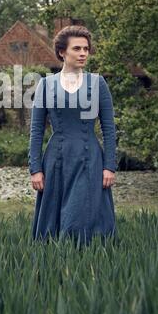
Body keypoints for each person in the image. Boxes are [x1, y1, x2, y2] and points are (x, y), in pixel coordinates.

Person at [28, 26, 117, 245]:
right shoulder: (46, 85)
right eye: (76, 48)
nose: (83, 53)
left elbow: (109, 128)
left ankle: (89, 261)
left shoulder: (98, 84)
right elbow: (36, 130)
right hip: (56, 160)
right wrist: (35, 169)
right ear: (62, 52)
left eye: (86, 49)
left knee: (80, 215)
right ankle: (56, 264)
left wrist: (109, 166)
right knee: (54, 224)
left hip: (90, 158)